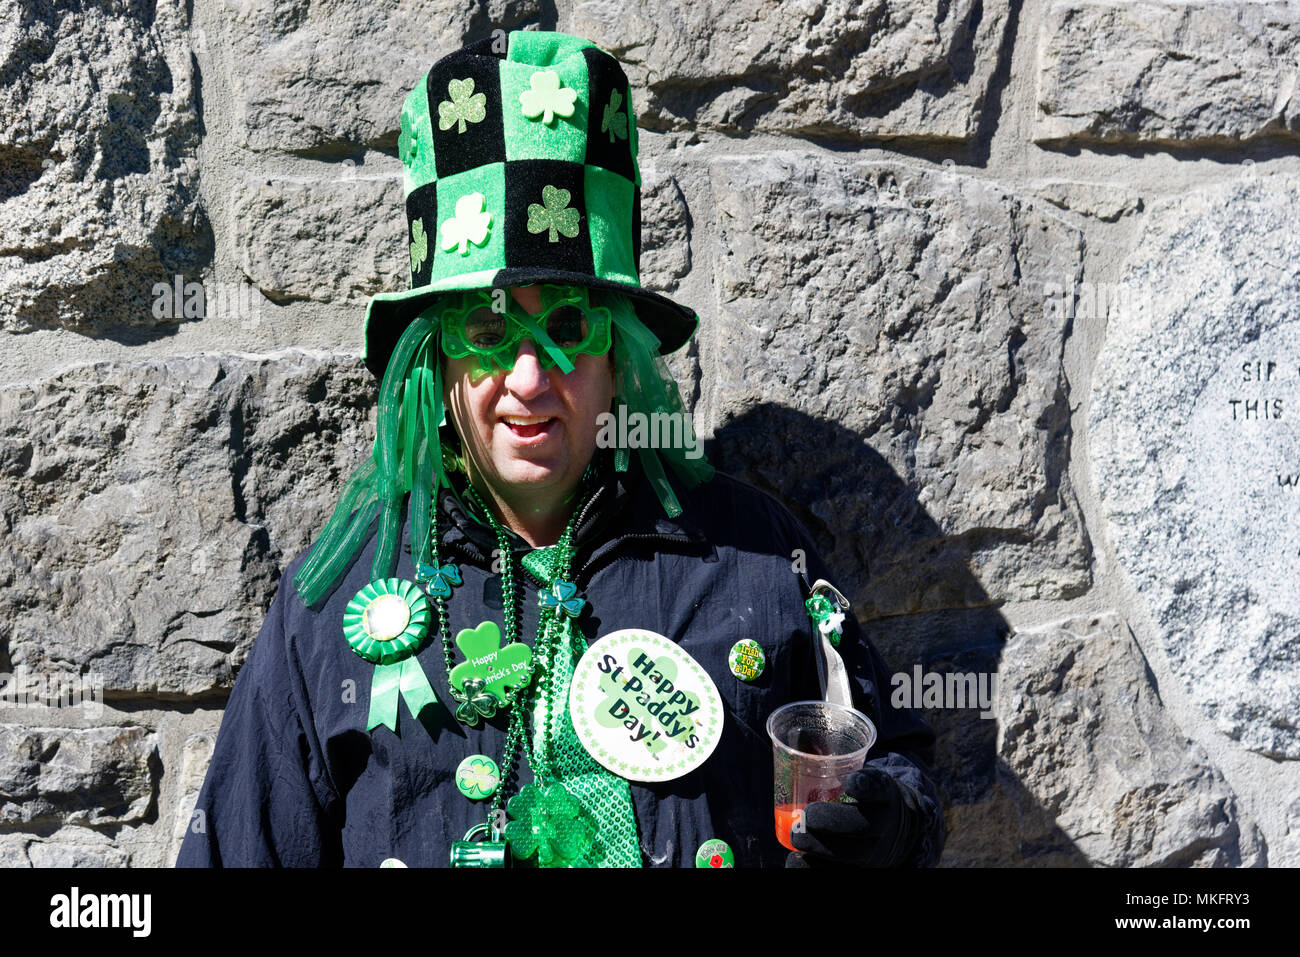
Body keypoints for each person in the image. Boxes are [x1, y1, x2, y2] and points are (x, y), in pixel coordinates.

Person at [177, 29, 945, 869]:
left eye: (568, 326)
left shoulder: (756, 555)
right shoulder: (332, 604)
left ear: (617, 358)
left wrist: (894, 819)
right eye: (487, 330)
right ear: (438, 362)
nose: (530, 379)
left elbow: (884, 758)